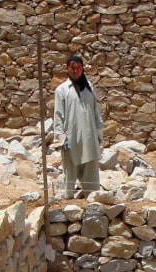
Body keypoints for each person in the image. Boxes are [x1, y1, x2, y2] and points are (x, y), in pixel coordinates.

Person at [52, 55, 103, 198]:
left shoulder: (89, 88)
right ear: (67, 69)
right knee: (70, 170)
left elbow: (95, 111)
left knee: (91, 171)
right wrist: (62, 138)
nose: (75, 71)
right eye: (72, 68)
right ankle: (68, 200)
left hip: (89, 137)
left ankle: (93, 198)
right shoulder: (62, 90)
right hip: (71, 136)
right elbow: (58, 114)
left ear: (82, 69)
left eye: (78, 68)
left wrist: (99, 135)